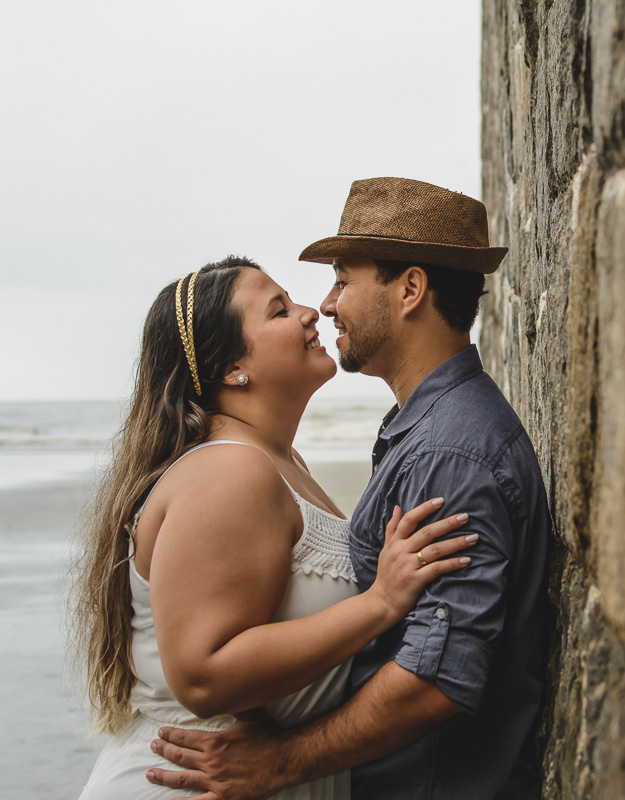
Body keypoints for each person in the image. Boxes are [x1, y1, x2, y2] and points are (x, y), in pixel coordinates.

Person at [147, 178, 552, 799]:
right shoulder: (420, 432)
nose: (326, 305)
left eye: (342, 280)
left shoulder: (450, 454)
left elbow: (436, 678)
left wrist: (279, 762)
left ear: (410, 290)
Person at [73, 256, 478, 800]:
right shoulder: (229, 471)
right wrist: (379, 602)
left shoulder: (280, 463)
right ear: (229, 367)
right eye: (279, 310)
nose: (312, 312)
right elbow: (203, 675)